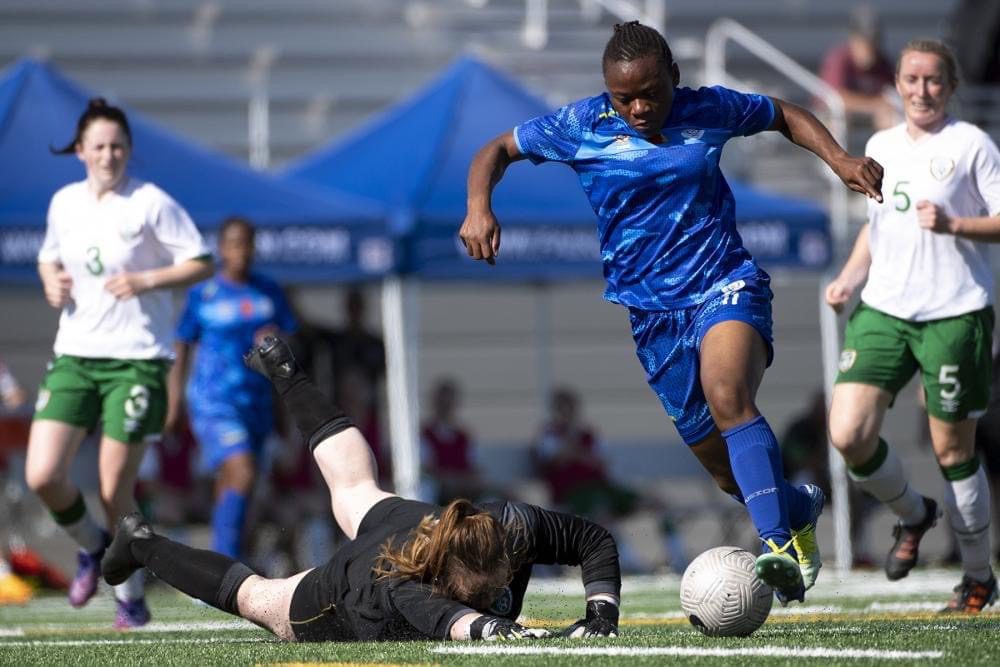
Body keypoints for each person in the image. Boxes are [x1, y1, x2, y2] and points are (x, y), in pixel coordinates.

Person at [459, 21, 882, 603]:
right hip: (652, 316)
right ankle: (797, 505)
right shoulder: (581, 126)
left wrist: (837, 158)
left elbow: (782, 112)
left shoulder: (708, 108)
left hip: (724, 284)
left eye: (649, 93)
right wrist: (479, 206)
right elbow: (497, 149)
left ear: (674, 79)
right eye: (623, 97)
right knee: (722, 469)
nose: (637, 107)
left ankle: (778, 545)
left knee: (728, 393)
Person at [101, 336, 622, 642]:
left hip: (408, 519)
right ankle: (140, 541)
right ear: (450, 572)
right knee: (258, 597)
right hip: (349, 586)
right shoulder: (404, 584)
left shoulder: (511, 524)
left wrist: (601, 612)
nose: (496, 591)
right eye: (484, 586)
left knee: (355, 487)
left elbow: (594, 540)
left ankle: (285, 371)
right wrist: (498, 629)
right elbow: (454, 622)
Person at [824, 39, 1000, 612]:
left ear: (949, 86)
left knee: (953, 450)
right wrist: (850, 277)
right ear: (896, 85)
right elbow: (877, 225)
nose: (921, 90)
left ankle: (977, 576)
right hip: (885, 308)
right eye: (912, 79)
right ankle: (914, 512)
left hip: (954, 311)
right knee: (847, 433)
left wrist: (956, 224)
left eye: (933, 80)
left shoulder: (972, 144)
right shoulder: (879, 144)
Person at [24, 98, 213, 628]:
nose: (109, 155)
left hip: (136, 361)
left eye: (118, 146)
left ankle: (130, 595)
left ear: (128, 151)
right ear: (81, 151)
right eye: (99, 146)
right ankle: (92, 549)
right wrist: (49, 280)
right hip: (75, 356)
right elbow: (48, 255)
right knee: (43, 474)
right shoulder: (64, 202)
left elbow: (202, 261)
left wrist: (146, 280)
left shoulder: (150, 202)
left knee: (113, 490)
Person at [168, 216, 297, 561]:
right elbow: (181, 344)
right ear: (222, 248)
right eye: (235, 243)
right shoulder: (203, 294)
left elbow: (291, 340)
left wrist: (277, 339)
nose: (242, 250)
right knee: (241, 470)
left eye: (248, 243)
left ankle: (226, 559)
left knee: (240, 484)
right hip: (214, 401)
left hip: (257, 401)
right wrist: (173, 399)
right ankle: (226, 570)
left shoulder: (270, 292)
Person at [534, 387, 687, 573]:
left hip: (601, 487)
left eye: (571, 408)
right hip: (572, 493)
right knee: (602, 510)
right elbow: (556, 459)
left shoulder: (588, 434)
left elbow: (602, 462)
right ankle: (626, 560)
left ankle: (677, 556)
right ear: (556, 411)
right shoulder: (549, 434)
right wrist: (579, 452)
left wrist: (577, 453)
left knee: (656, 502)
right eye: (563, 408)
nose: (568, 413)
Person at [819, 5, 898, 132]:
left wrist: (880, 105)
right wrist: (874, 104)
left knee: (891, 118)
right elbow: (837, 99)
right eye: (863, 41)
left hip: (868, 116)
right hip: (832, 114)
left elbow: (891, 96)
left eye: (873, 41)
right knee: (837, 120)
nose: (868, 47)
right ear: (853, 39)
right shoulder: (840, 59)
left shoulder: (882, 61)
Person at [420, 377, 491, 505]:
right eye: (442, 402)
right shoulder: (425, 435)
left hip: (464, 490)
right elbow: (426, 469)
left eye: (449, 402)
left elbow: (475, 469)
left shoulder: (464, 437)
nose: (446, 406)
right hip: (439, 491)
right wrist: (450, 479)